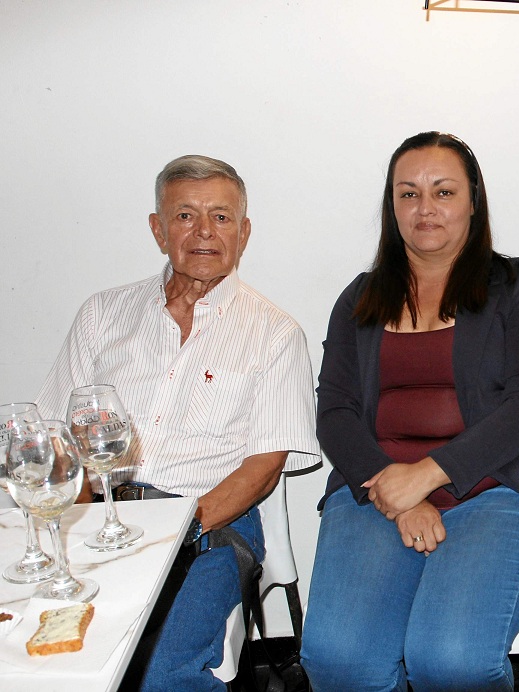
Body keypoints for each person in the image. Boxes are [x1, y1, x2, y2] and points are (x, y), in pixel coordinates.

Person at [36, 155, 321, 690]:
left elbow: (263, 467)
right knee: (48, 654)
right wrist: (76, 531)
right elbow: (54, 438)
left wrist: (177, 530)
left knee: (156, 671)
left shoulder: (275, 332)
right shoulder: (102, 314)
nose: (204, 232)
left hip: (208, 526)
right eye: (186, 216)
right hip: (96, 520)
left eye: (221, 216)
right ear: (158, 230)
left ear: (244, 232)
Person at [301, 131, 519, 691]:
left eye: (443, 192)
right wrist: (397, 494)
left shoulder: (513, 289)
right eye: (408, 193)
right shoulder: (359, 299)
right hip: (378, 490)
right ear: (391, 205)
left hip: (501, 489)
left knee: (452, 661)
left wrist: (428, 475)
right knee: (338, 661)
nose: (425, 208)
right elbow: (335, 411)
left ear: (473, 200)